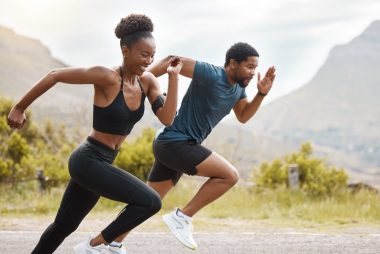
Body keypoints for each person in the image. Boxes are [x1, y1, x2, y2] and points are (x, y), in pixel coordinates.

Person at [7, 14, 182, 254]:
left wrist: (173, 79)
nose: (149, 60)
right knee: (151, 201)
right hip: (88, 159)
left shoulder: (148, 82)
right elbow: (54, 75)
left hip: (103, 162)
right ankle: (96, 246)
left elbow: (168, 118)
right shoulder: (107, 77)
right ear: (125, 50)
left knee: (63, 226)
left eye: (152, 55)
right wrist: (19, 107)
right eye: (143, 54)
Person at [146, 42, 276, 250]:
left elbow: (243, 116)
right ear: (233, 63)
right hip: (175, 143)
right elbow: (173, 60)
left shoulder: (237, 91)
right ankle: (182, 217)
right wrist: (136, 80)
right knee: (229, 175)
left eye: (255, 68)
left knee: (146, 203)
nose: (253, 73)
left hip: (174, 145)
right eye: (249, 67)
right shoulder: (211, 74)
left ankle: (105, 242)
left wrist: (261, 94)